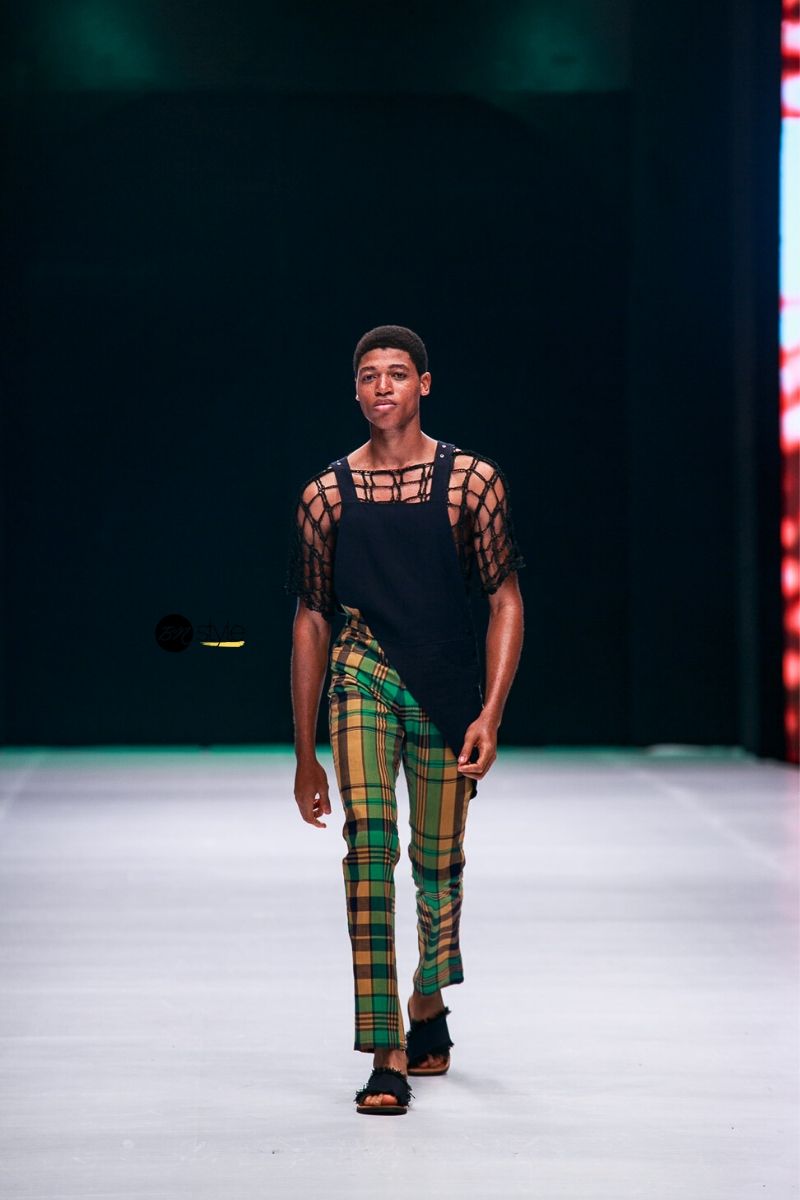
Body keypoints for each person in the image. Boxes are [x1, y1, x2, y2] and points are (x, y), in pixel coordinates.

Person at [285, 324, 525, 1114]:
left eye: (396, 373)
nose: (381, 386)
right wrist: (305, 752)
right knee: (369, 848)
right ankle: (385, 1047)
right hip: (360, 671)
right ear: (355, 389)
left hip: (446, 686)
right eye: (368, 375)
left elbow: (505, 600)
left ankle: (428, 997)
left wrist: (491, 712)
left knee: (439, 866)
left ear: (424, 383)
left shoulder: (472, 482)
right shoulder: (326, 494)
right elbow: (311, 619)